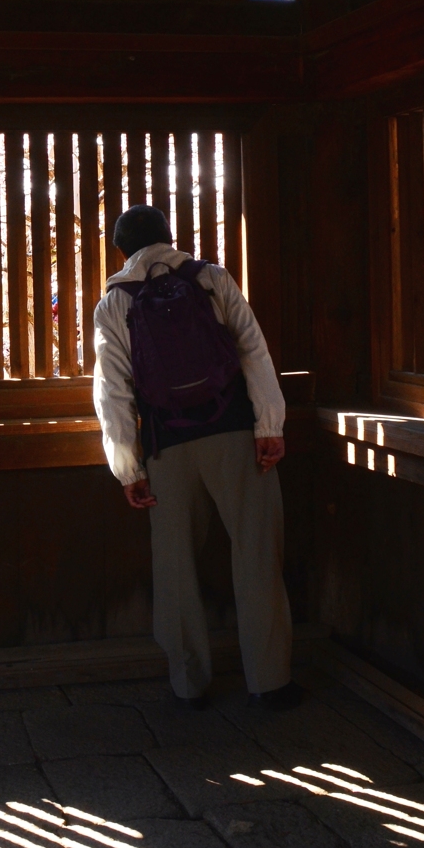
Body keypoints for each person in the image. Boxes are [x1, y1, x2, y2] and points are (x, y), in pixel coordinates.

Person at [93, 204, 302, 711]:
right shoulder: (211, 278)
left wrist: (128, 467)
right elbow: (254, 350)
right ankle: (269, 682)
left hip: (167, 446)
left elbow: (112, 392)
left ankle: (189, 685)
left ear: (122, 251)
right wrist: (269, 425)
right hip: (234, 433)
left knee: (175, 567)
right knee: (256, 554)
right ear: (170, 235)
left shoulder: (114, 302)